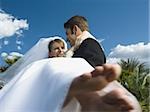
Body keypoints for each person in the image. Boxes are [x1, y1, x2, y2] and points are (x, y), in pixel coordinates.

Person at [0, 36, 124, 112]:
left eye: (62, 48)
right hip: (48, 77)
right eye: (56, 48)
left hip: (71, 72)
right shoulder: (41, 64)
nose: (61, 50)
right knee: (52, 69)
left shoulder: (71, 61)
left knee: (75, 64)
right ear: (49, 53)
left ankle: (86, 95)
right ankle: (73, 87)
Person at [63, 15, 141, 111]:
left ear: (75, 29)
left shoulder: (89, 44)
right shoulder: (89, 45)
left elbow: (91, 68)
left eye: (67, 34)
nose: (68, 40)